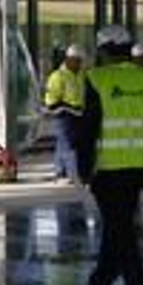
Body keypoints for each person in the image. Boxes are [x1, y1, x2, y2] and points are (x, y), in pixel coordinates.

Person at [81, 24, 143, 285]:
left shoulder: (96, 79)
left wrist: (83, 170)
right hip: (139, 168)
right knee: (117, 231)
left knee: (123, 236)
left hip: (107, 171)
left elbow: (88, 130)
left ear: (103, 51)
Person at [43, 43, 88, 183]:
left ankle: (60, 172)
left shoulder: (82, 75)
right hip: (64, 116)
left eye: (81, 61)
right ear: (68, 59)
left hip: (79, 114)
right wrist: (69, 107)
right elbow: (51, 102)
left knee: (64, 143)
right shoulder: (58, 76)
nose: (80, 64)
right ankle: (70, 174)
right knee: (68, 144)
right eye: (77, 60)